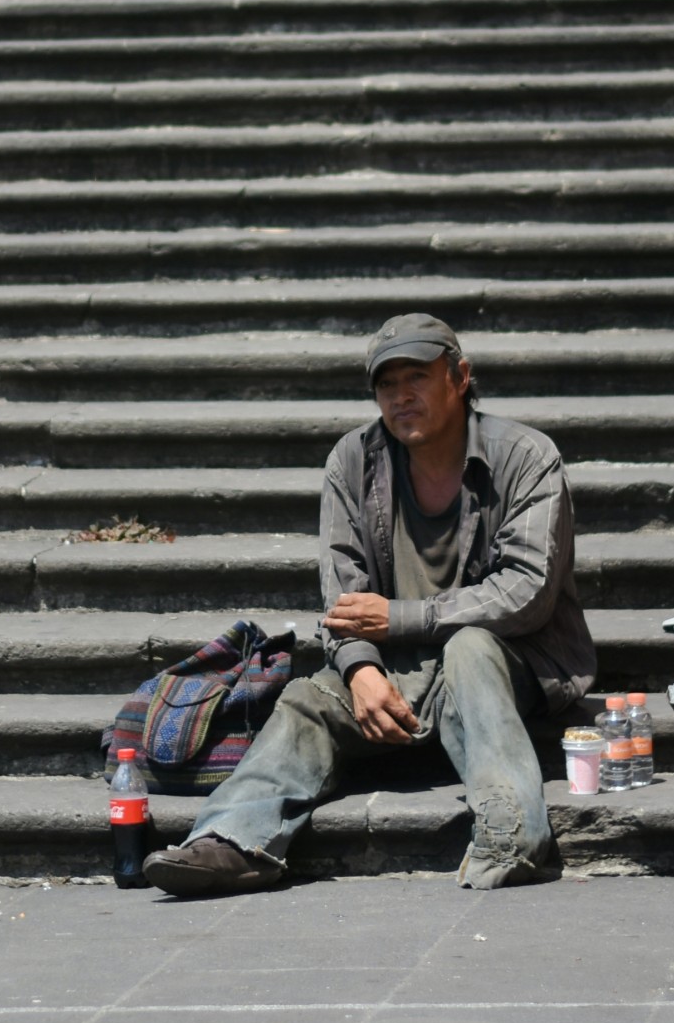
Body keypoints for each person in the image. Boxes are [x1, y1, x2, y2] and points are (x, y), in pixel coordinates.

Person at [142, 313, 597, 895]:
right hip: (397, 671)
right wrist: (359, 669)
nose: (401, 396)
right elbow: (342, 595)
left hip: (509, 660)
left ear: (460, 377)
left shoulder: (526, 457)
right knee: (306, 699)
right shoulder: (353, 461)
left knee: (470, 647)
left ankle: (514, 838)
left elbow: (527, 592)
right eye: (387, 384)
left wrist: (399, 617)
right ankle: (232, 840)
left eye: (417, 377)